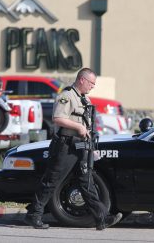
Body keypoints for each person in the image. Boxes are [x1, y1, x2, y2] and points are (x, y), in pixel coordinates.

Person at [24, 68, 122, 230]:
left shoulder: (84, 99)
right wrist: (78, 127)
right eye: (91, 83)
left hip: (81, 146)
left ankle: (102, 217)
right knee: (52, 180)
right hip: (66, 146)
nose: (93, 86)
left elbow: (87, 123)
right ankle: (34, 214)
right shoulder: (67, 95)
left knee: (87, 181)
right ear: (82, 80)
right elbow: (58, 118)